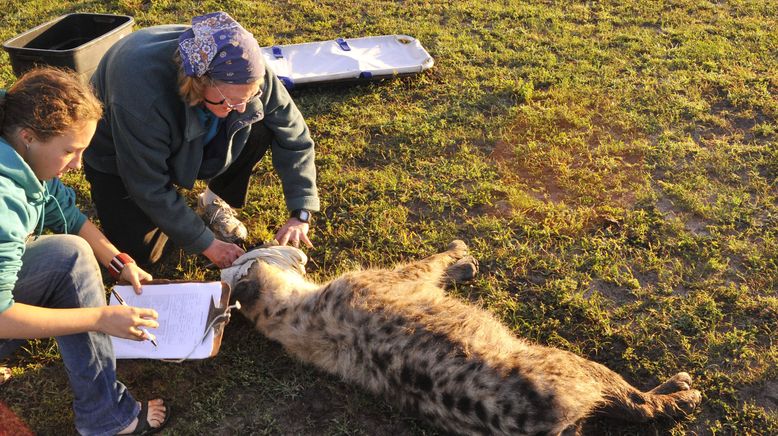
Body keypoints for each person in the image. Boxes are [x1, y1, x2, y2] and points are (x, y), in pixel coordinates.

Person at [0, 67, 170, 435]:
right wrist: (99, 319)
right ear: (28, 137)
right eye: (70, 151)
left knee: (72, 252)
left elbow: (64, 212)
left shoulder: (14, 148)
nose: (78, 165)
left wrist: (118, 260)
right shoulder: (3, 201)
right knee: (70, 258)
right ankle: (107, 419)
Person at [84, 11, 320, 269]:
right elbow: (146, 183)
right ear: (198, 81)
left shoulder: (249, 73)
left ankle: (214, 199)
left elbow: (294, 135)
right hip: (117, 155)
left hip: (181, 133)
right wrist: (207, 244)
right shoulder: (141, 96)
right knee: (146, 257)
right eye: (230, 100)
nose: (241, 108)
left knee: (261, 123)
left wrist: (301, 211)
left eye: (248, 97)